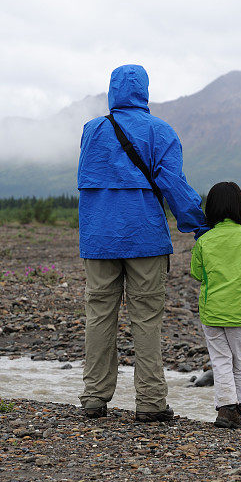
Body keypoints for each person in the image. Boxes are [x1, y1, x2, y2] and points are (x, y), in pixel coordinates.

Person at [77, 64, 208, 422]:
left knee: (99, 316)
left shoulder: (92, 130)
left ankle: (93, 398)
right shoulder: (160, 131)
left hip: (98, 237)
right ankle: (150, 403)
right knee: (146, 320)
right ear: (144, 91)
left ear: (112, 91)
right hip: (145, 238)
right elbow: (173, 184)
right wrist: (198, 225)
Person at [189, 182, 241, 429]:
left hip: (212, 311)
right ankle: (238, 407)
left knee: (220, 360)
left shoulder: (204, 240)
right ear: (240, 208)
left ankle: (227, 409)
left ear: (211, 209)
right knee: (238, 360)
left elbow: (196, 273)